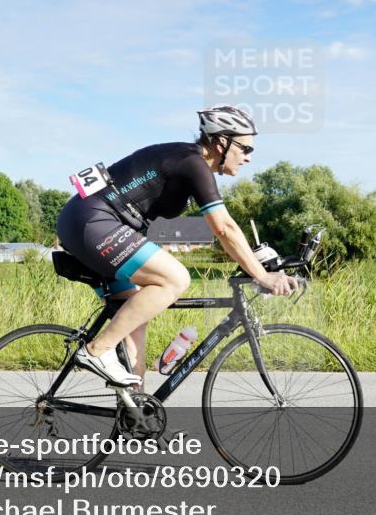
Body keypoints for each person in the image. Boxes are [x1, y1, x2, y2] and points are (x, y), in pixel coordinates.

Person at [56, 105, 299, 386]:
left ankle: (136, 411)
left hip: (88, 221)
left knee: (135, 317)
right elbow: (224, 227)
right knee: (176, 278)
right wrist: (261, 275)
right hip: (93, 221)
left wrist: (253, 259)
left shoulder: (187, 161)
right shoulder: (192, 163)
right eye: (246, 149)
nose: (248, 158)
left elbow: (218, 233)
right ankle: (97, 351)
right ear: (222, 142)